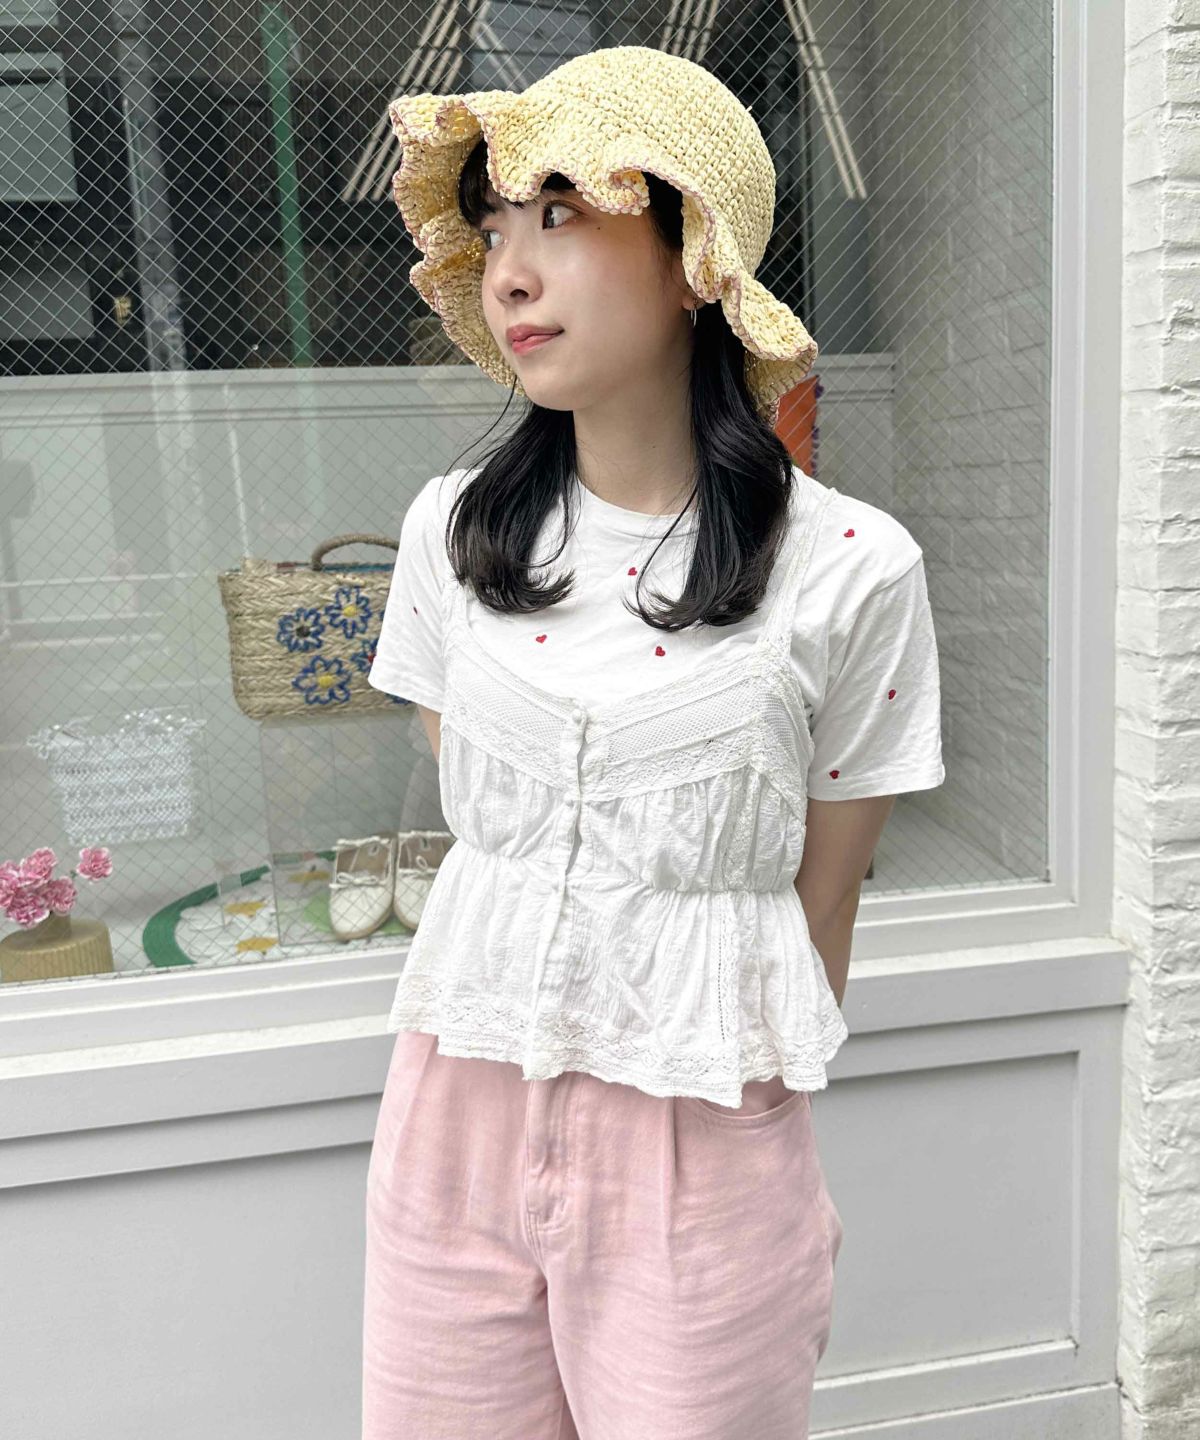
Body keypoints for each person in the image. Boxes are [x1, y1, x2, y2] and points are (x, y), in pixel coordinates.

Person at [362, 45, 945, 1439]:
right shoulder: (451, 533)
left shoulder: (851, 568)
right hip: (454, 1119)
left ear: (698, 259)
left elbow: (823, 905)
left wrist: (736, 1124)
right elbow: (494, 837)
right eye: (496, 226)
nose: (509, 273)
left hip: (698, 1140)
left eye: (562, 215)